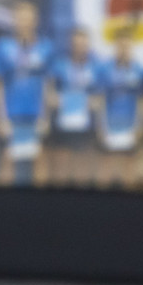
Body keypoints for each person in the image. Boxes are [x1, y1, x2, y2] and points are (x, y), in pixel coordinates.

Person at [0, 1, 52, 186]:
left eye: (28, 19)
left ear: (36, 21)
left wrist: (46, 116)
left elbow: (48, 85)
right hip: (11, 116)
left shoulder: (46, 47)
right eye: (21, 18)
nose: (24, 23)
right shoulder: (1, 47)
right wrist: (0, 119)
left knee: (40, 161)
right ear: (14, 21)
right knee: (7, 164)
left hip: (35, 116)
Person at [44, 27, 102, 186]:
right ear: (70, 45)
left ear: (88, 45)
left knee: (82, 173)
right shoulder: (59, 65)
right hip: (62, 125)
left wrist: (88, 102)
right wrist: (56, 100)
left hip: (86, 126)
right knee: (60, 172)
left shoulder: (97, 67)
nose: (80, 48)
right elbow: (49, 93)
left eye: (83, 44)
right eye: (76, 44)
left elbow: (100, 98)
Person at [97, 28, 143, 187]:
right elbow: (101, 101)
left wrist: (139, 127)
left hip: (130, 128)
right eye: (120, 46)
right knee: (107, 169)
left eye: (127, 46)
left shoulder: (139, 71)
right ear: (115, 47)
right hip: (110, 127)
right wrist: (101, 127)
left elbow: (142, 102)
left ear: (131, 48)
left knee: (129, 170)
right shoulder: (105, 69)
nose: (124, 49)